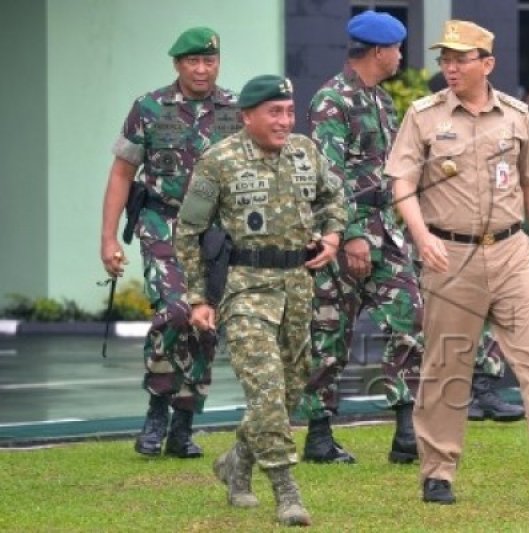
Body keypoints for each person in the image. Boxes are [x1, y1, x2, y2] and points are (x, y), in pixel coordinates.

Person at [386, 19, 529, 506]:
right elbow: (401, 183)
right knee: (448, 367)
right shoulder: (423, 116)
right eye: (444, 58)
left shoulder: (515, 115)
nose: (449, 67)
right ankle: (438, 472)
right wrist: (421, 236)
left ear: (487, 64)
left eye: (460, 59)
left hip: (511, 254)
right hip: (451, 256)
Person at [174, 74, 347, 527]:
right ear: (247, 116)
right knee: (267, 388)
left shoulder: (305, 151)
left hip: (297, 287)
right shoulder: (219, 160)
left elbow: (334, 198)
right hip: (245, 288)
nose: (284, 121)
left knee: (287, 392)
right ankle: (286, 490)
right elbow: (189, 232)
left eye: (289, 111)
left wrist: (331, 235)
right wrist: (198, 298)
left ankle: (236, 463)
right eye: (274, 112)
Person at [99, 27, 241, 459]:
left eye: (209, 61)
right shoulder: (149, 108)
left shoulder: (236, 110)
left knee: (204, 321)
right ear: (177, 64)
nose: (202, 69)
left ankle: (183, 424)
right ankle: (157, 409)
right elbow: (122, 174)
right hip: (164, 223)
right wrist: (108, 239)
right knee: (176, 310)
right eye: (192, 61)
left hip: (216, 231)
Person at [300, 10, 424, 464]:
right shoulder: (332, 101)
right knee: (330, 333)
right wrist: (350, 235)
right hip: (341, 234)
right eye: (395, 49)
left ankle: (407, 430)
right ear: (377, 52)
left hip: (386, 233)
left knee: (410, 317)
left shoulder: (381, 101)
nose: (399, 57)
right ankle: (318, 434)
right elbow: (327, 176)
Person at [427, 71, 525, 423]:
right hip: (441, 242)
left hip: (489, 243)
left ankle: (485, 389)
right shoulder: (426, 125)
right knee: (449, 326)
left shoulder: (498, 126)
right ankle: (457, 394)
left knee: (490, 318)